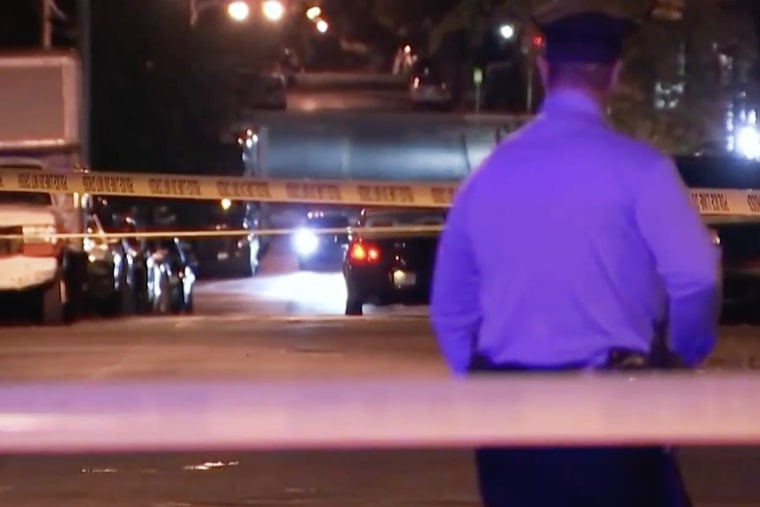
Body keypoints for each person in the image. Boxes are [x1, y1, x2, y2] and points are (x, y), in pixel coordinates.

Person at [429, 3, 721, 507]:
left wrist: (482, 391)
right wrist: (679, 360)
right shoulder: (643, 172)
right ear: (614, 75)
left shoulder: (486, 177)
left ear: (543, 71)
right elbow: (696, 277)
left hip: (511, 427)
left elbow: (450, 310)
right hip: (613, 418)